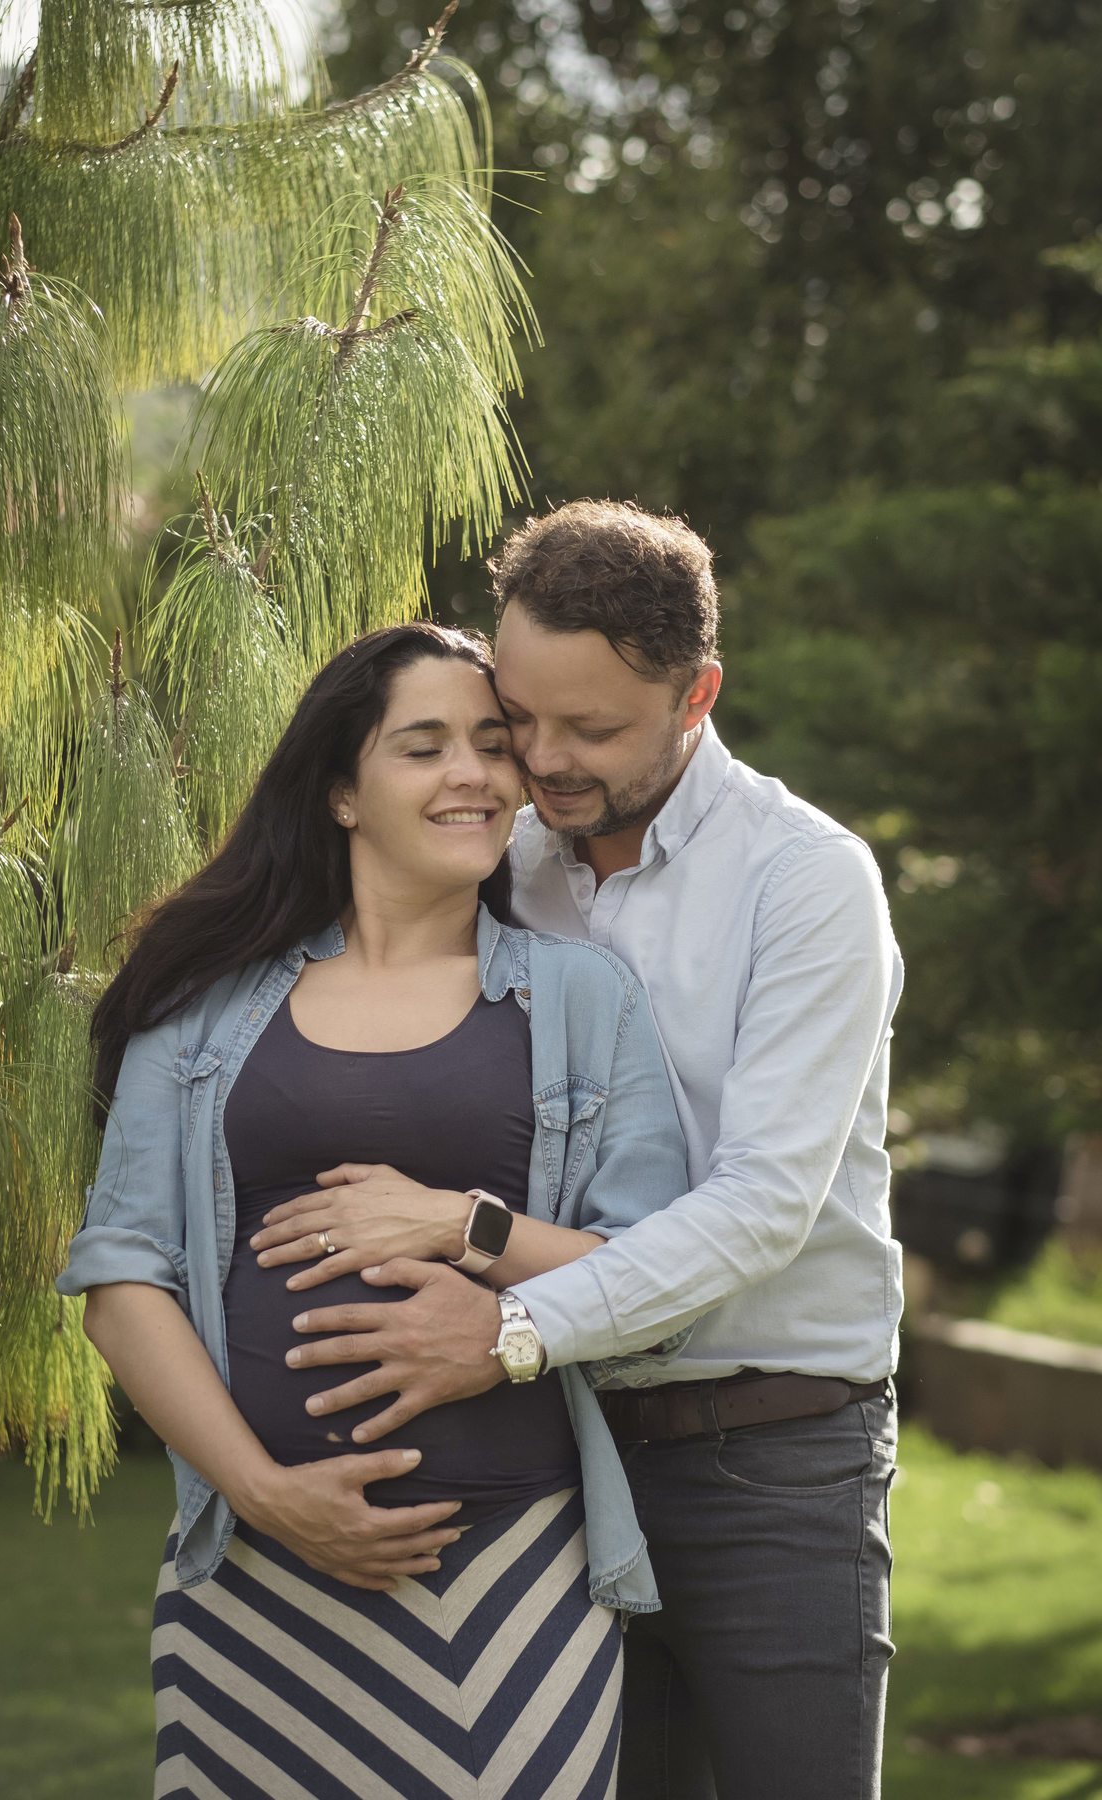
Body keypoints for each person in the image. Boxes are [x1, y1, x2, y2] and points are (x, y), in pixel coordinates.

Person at [261, 504, 904, 1800]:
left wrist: (505, 1323)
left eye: (592, 731)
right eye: (521, 718)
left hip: (768, 1459)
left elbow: (761, 1208)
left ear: (698, 696)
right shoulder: (501, 862)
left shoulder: (807, 884)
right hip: (553, 1457)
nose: (541, 763)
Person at [57, 619, 691, 1800]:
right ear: (343, 791)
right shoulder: (201, 1003)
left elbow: (650, 1272)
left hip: (519, 1574)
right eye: (426, 746)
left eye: (493, 744)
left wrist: (465, 1224)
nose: (477, 774)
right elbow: (120, 1273)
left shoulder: (579, 998)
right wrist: (265, 1493)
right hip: (258, 1577)